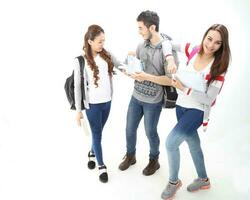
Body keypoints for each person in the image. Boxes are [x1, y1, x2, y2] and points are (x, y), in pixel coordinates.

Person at [160, 24, 231, 199]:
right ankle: (203, 179)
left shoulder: (219, 67)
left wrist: (183, 88)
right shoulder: (194, 49)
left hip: (197, 110)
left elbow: (209, 99)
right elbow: (167, 42)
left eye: (217, 43)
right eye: (209, 38)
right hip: (181, 105)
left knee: (170, 143)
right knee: (193, 144)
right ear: (204, 36)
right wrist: (170, 59)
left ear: (222, 46)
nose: (211, 45)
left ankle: (173, 182)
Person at [118, 10, 177, 176]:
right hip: (136, 97)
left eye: (141, 28)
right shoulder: (140, 45)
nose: (139, 32)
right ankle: (131, 156)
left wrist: (146, 77)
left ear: (152, 27)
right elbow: (138, 69)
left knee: (150, 132)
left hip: (153, 101)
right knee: (129, 129)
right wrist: (128, 68)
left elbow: (170, 80)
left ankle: (154, 160)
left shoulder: (167, 51)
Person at [74, 24, 122, 183]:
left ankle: (91, 152)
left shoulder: (106, 54)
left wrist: (131, 61)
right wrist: (79, 110)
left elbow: (121, 65)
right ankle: (101, 166)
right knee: (97, 134)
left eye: (104, 41)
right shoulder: (80, 61)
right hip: (92, 105)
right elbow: (78, 88)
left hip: (107, 102)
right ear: (90, 41)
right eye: (100, 41)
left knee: (98, 132)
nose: (103, 44)